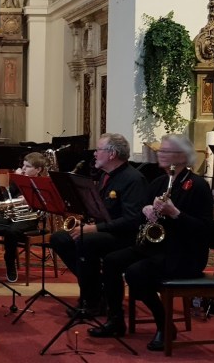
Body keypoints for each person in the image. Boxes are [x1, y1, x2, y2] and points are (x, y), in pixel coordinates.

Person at [90, 134, 214, 352]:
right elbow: (139, 214)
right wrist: (147, 210)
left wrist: (175, 213)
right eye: (160, 150)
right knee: (112, 261)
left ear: (182, 157)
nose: (160, 154)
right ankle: (115, 319)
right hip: (158, 247)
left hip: (185, 254)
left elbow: (205, 230)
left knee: (136, 273)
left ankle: (164, 325)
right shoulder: (159, 182)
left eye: (165, 151)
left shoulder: (197, 185)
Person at [50, 133, 148, 315]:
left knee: (85, 241)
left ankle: (92, 300)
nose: (94, 154)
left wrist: (95, 228)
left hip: (124, 237)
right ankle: (97, 287)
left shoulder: (133, 179)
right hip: (105, 231)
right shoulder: (105, 176)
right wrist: (87, 220)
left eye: (98, 149)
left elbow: (132, 220)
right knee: (59, 239)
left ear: (112, 154)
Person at [0, 152, 48, 283]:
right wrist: (13, 187)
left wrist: (29, 199)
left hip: (29, 218)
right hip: (10, 214)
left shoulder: (43, 183)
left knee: (11, 232)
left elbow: (45, 205)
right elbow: (5, 197)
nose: (23, 169)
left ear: (38, 169)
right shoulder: (19, 180)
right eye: (23, 165)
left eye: (28, 166)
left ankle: (10, 263)